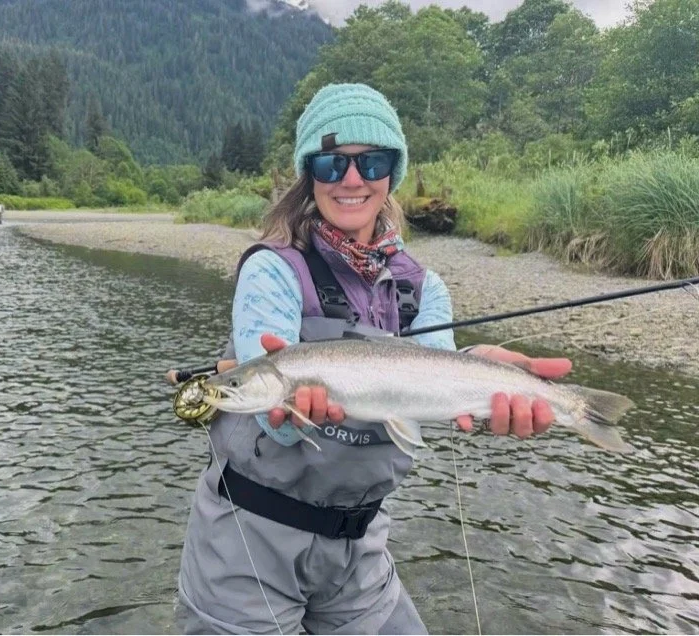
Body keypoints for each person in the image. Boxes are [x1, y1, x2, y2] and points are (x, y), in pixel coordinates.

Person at [175, 83, 573, 634]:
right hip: (250, 539)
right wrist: (289, 415)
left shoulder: (421, 288)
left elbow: (436, 386)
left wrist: (487, 378)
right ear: (309, 174)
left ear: (393, 173)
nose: (352, 179)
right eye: (332, 164)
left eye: (372, 162)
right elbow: (277, 425)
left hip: (360, 546)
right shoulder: (272, 269)